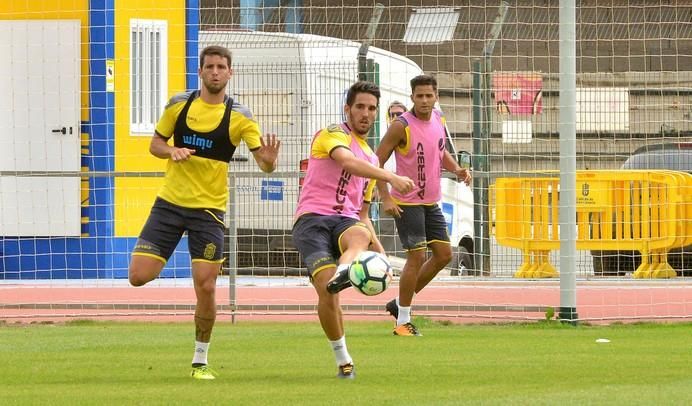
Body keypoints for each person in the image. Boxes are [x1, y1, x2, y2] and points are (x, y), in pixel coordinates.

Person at [128, 45, 280, 380]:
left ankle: (200, 359)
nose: (215, 72)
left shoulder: (240, 115)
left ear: (230, 73)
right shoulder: (179, 103)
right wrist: (171, 150)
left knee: (206, 286)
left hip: (209, 211)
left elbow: (265, 165)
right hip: (169, 203)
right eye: (209, 66)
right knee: (138, 276)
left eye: (221, 67)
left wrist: (269, 160)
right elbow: (155, 144)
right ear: (200, 71)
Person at [292, 81, 414, 379]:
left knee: (361, 232)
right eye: (360, 106)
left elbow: (363, 214)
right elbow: (347, 162)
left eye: (372, 108)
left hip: (346, 223)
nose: (366, 113)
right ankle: (343, 357)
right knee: (326, 292)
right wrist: (391, 176)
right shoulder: (332, 133)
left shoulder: (372, 158)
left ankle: (343, 270)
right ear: (347, 109)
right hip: (312, 220)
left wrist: (382, 256)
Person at [376, 74, 471, 336]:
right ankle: (402, 322)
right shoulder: (401, 126)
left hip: (431, 201)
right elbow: (377, 161)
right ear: (412, 98)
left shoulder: (439, 120)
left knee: (444, 255)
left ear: (436, 96)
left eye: (429, 95)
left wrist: (458, 170)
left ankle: (400, 303)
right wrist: (385, 196)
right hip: (406, 203)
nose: (425, 100)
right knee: (416, 257)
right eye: (420, 96)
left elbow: (440, 152)